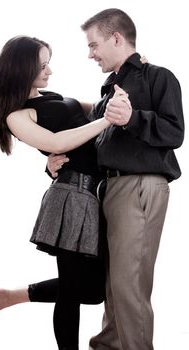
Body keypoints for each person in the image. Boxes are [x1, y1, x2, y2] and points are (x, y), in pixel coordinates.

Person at [0, 35, 130, 350]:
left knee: (95, 291)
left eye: (48, 63)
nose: (50, 71)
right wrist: (105, 121)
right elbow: (58, 143)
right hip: (69, 198)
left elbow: (92, 111)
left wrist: (118, 97)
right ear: (21, 70)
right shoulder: (17, 116)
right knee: (73, 293)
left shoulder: (51, 96)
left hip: (92, 196)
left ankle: (10, 296)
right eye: (42, 66)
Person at [47, 8, 185, 350]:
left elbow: (175, 132)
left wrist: (133, 118)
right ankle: (107, 346)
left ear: (116, 38)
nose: (90, 54)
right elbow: (89, 140)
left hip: (139, 186)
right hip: (108, 189)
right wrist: (53, 158)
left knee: (128, 285)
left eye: (94, 45)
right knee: (111, 283)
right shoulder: (109, 89)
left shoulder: (158, 77)